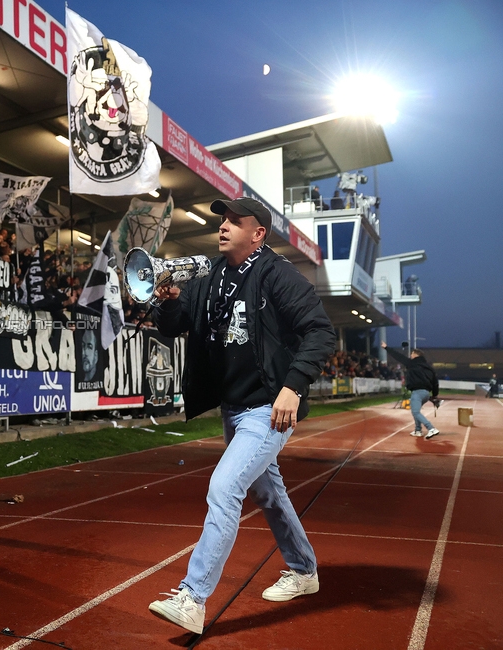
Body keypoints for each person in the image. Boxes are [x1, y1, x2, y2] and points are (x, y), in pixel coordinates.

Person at [148, 197, 336, 635]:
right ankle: (305, 571)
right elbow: (174, 326)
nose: (224, 225)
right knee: (269, 495)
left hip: (267, 408)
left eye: (236, 220)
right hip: (233, 409)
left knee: (224, 486)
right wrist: (170, 302)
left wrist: (293, 386)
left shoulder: (277, 274)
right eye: (222, 219)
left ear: (258, 234)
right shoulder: (210, 274)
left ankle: (193, 598)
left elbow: (320, 332)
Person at [382, 341, 440, 437]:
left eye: (412, 353)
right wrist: (434, 395)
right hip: (426, 394)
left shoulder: (412, 363)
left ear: (416, 355)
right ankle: (418, 430)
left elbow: (398, 356)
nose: (410, 355)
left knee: (415, 412)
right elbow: (435, 383)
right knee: (416, 410)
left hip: (417, 392)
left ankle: (431, 428)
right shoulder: (429, 368)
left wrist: (386, 348)